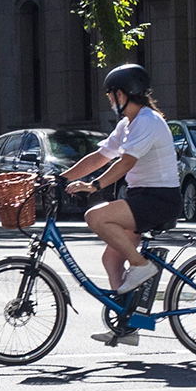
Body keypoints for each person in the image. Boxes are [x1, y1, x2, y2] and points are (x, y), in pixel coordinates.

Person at [56, 64, 179, 347]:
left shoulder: (148, 120)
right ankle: (127, 324)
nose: (110, 101)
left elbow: (126, 162)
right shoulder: (127, 125)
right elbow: (101, 156)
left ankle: (140, 265)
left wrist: (94, 186)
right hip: (142, 197)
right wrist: (61, 178)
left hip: (159, 199)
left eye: (111, 95)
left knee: (95, 217)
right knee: (111, 259)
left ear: (123, 94)